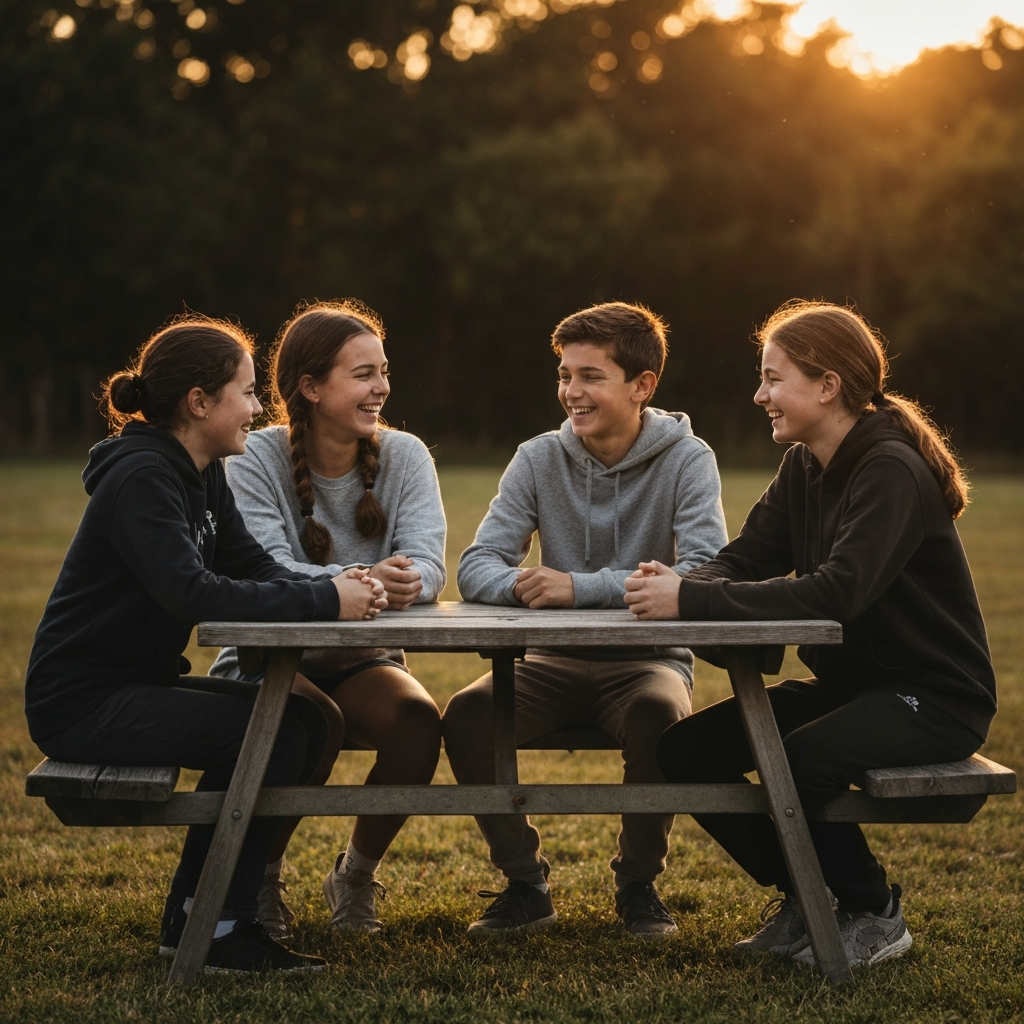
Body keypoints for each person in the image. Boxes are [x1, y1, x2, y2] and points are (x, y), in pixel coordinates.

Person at [624, 300, 996, 968]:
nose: (759, 394)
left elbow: (837, 592)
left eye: (774, 378)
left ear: (827, 386)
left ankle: (874, 911)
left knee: (799, 758)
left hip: (936, 698)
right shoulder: (805, 465)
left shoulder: (891, 470)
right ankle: (808, 897)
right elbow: (744, 557)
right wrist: (684, 581)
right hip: (856, 688)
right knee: (685, 752)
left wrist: (691, 597)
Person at [24, 317, 387, 974]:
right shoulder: (143, 479)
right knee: (275, 732)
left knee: (302, 719)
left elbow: (250, 564)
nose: (256, 408)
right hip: (84, 703)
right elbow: (193, 593)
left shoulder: (200, 471)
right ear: (199, 402)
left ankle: (202, 915)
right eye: (246, 393)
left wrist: (340, 581)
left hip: (136, 685)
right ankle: (219, 926)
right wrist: (327, 601)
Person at [444, 302, 728, 937]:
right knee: (467, 715)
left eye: (591, 376)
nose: (572, 391)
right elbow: (477, 564)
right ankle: (525, 883)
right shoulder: (538, 458)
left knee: (660, 717)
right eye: (565, 374)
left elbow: (704, 569)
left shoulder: (688, 459)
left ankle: (637, 886)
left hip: (646, 664)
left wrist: (581, 588)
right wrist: (530, 588)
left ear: (641, 385)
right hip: (548, 662)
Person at [208, 300, 446, 937]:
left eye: (384, 372)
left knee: (417, 723)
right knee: (310, 721)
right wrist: (365, 581)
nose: (383, 388)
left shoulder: (405, 455)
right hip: (264, 661)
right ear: (310, 388)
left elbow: (430, 562)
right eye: (364, 374)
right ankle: (260, 877)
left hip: (362, 657)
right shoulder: (252, 457)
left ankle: (356, 874)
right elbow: (266, 568)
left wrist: (411, 579)